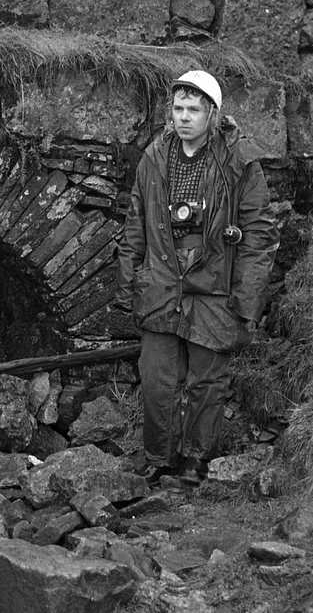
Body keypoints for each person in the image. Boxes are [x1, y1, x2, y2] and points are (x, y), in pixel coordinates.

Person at [115, 69, 274, 484]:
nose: (184, 117)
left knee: (208, 380)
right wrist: (132, 280)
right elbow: (136, 223)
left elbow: (258, 236)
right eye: (178, 108)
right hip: (163, 282)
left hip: (214, 285)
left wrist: (246, 303)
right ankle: (159, 458)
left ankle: (197, 460)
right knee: (156, 378)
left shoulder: (239, 161)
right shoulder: (154, 157)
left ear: (213, 114)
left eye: (194, 110)